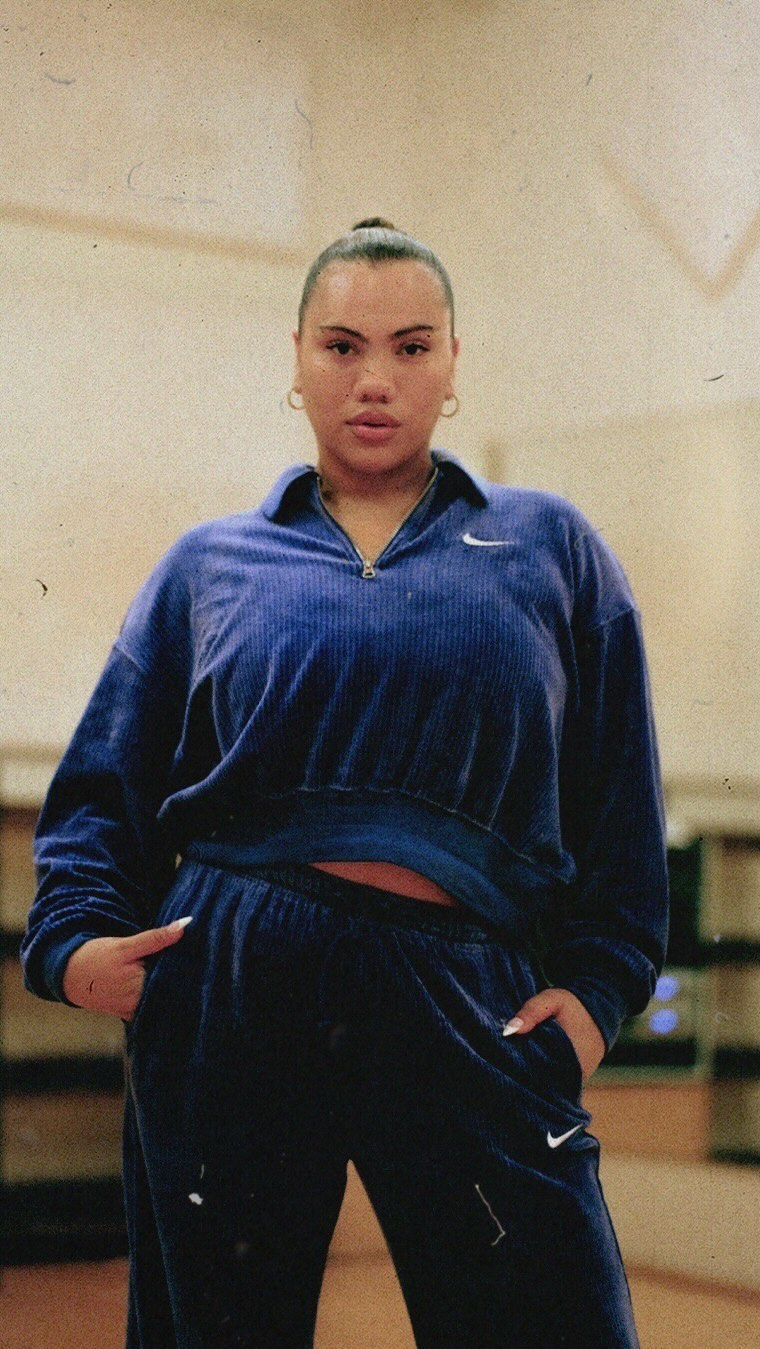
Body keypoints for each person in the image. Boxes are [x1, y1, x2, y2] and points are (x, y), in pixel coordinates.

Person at [22, 219, 668, 1348]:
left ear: (454, 362)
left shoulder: (551, 546)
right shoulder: (209, 564)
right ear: (297, 358)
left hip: (469, 996)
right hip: (231, 986)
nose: (376, 379)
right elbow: (100, 793)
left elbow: (620, 804)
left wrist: (599, 995)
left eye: (411, 347)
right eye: (342, 345)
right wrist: (75, 945)